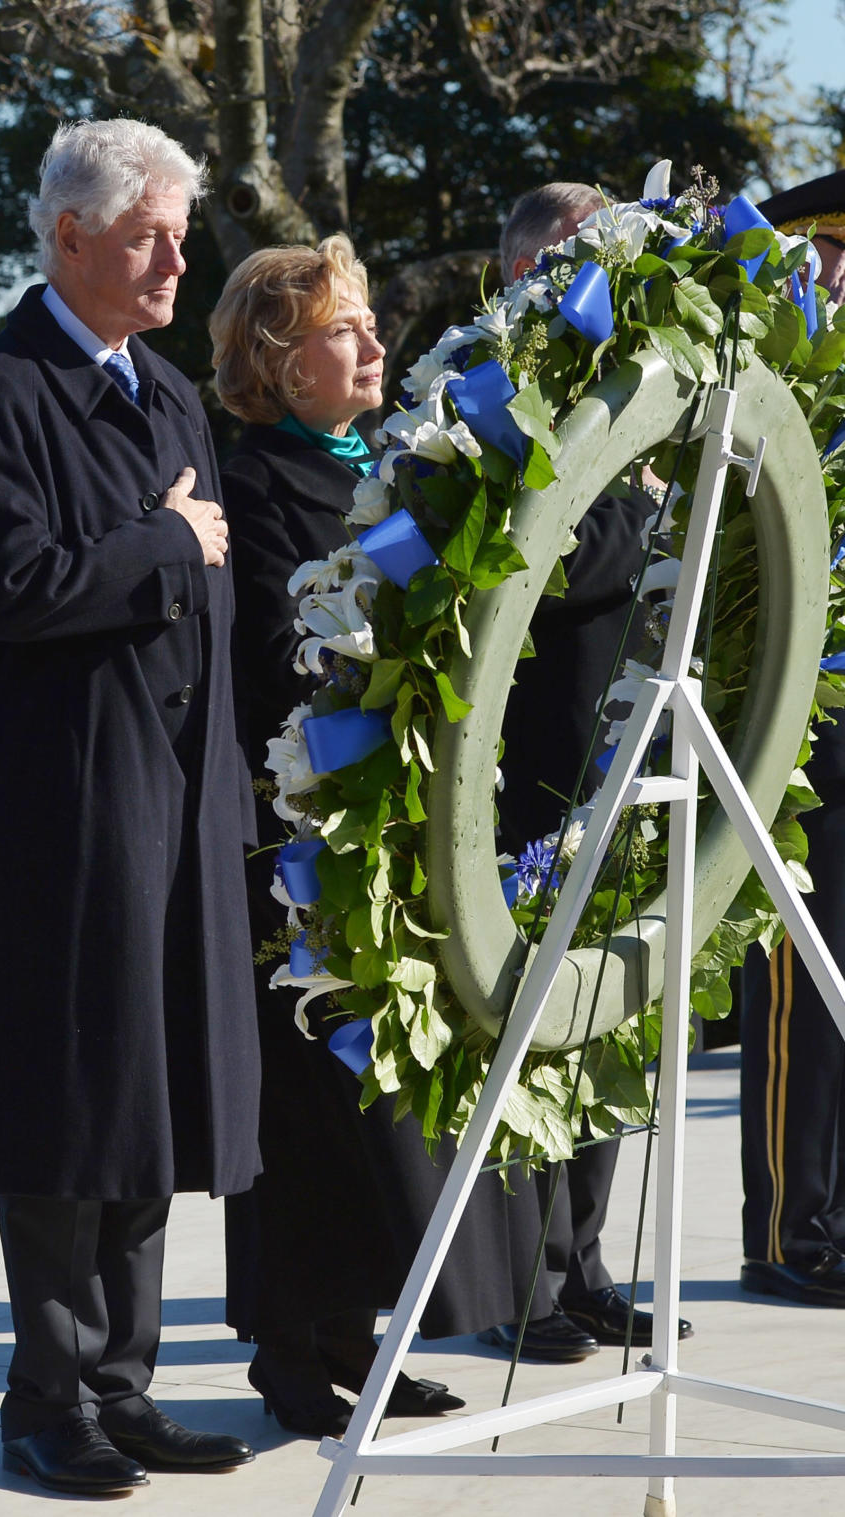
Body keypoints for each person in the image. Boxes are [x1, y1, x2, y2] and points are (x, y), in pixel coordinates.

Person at [0, 118, 261, 1496]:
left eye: (181, 232)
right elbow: (19, 588)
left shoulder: (171, 395)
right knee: (70, 1108)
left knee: (150, 1098)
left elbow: (216, 611)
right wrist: (163, 541)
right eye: (149, 236)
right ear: (69, 239)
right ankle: (44, 1397)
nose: (180, 259)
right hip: (61, 814)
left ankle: (123, 1385)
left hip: (176, 806)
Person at [212, 235, 562, 1435]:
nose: (373, 346)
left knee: (383, 1094)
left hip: (412, 818)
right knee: (310, 1104)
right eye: (342, 329)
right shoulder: (255, 482)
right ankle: (291, 1350)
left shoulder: (400, 462)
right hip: (311, 832)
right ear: (277, 358)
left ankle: (365, 1338)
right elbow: (276, 660)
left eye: (368, 324)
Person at [487, 181, 694, 1357]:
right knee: (532, 1011)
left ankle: (587, 1262)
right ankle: (527, 1278)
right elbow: (542, 555)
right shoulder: (501, 392)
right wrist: (659, 521)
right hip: (537, 750)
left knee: (609, 1014)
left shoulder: (628, 380)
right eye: (582, 254)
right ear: (526, 271)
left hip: (630, 743)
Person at [738, 170, 845, 1305]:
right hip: (799, 729)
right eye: (826, 252)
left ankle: (838, 1216)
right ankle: (785, 1231)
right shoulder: (773, 385)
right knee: (798, 1002)